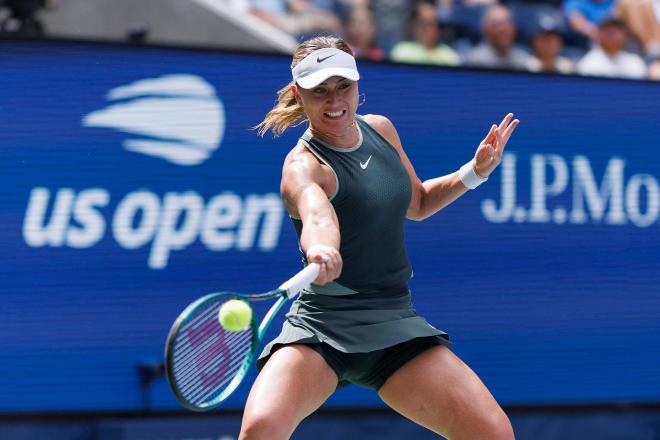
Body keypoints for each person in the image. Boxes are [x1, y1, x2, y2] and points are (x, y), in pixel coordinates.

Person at [246, 36, 518, 440]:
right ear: (297, 94)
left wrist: (473, 173)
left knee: (492, 433)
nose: (334, 99)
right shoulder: (302, 167)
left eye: (343, 86)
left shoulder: (382, 130)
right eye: (319, 89)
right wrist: (320, 247)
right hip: (323, 328)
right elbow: (318, 216)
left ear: (358, 85)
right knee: (261, 429)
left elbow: (419, 202)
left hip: (393, 321)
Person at [390, 0, 460, 66]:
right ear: (413, 26)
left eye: (432, 23)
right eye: (423, 23)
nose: (427, 29)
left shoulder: (448, 55)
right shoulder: (401, 52)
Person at [463, 4, 532, 70]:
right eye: (497, 24)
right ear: (485, 30)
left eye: (507, 23)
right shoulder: (474, 61)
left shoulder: (523, 59)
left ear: (514, 28)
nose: (503, 29)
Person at [576, 17, 647, 78]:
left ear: (625, 35)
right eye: (608, 32)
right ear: (599, 35)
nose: (613, 36)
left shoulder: (635, 62)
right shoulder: (588, 63)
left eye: (617, 32)